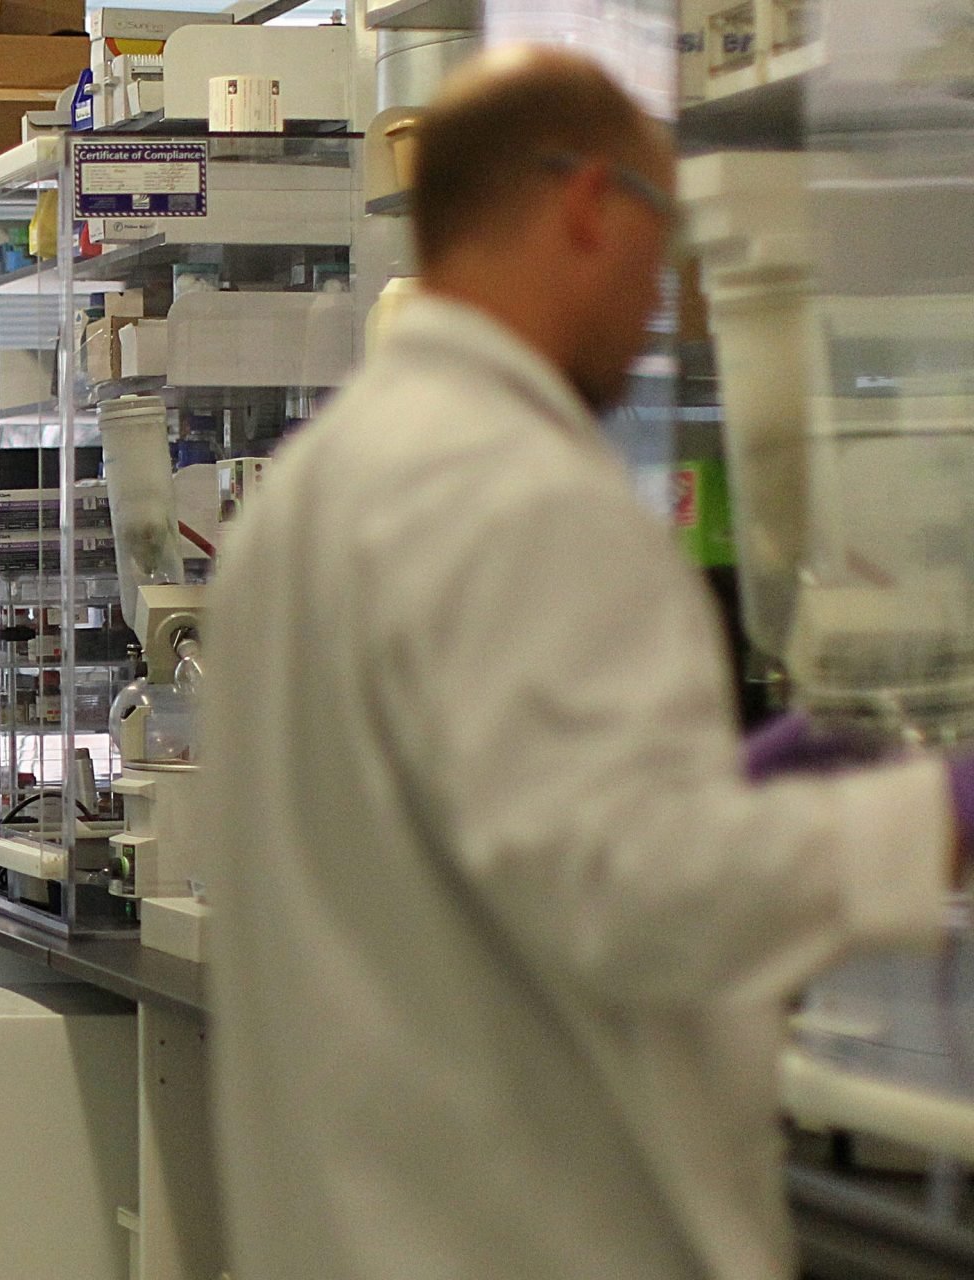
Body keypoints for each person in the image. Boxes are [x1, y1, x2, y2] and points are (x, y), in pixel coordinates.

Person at [194, 47, 974, 1279]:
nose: (667, 290)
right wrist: (926, 813)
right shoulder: (528, 496)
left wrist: (709, 798)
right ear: (587, 206)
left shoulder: (308, 500)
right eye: (662, 235)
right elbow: (642, 898)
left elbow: (481, 843)